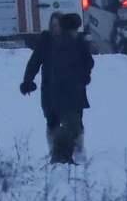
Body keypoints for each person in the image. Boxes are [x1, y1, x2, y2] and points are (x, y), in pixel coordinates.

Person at [20, 13, 94, 164]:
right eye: (52, 25)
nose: (55, 28)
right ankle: (55, 151)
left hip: (73, 89)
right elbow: (34, 62)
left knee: (74, 121)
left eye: (58, 25)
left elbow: (87, 62)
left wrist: (83, 77)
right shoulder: (46, 42)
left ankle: (77, 150)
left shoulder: (74, 41)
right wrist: (28, 80)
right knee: (52, 121)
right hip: (49, 90)